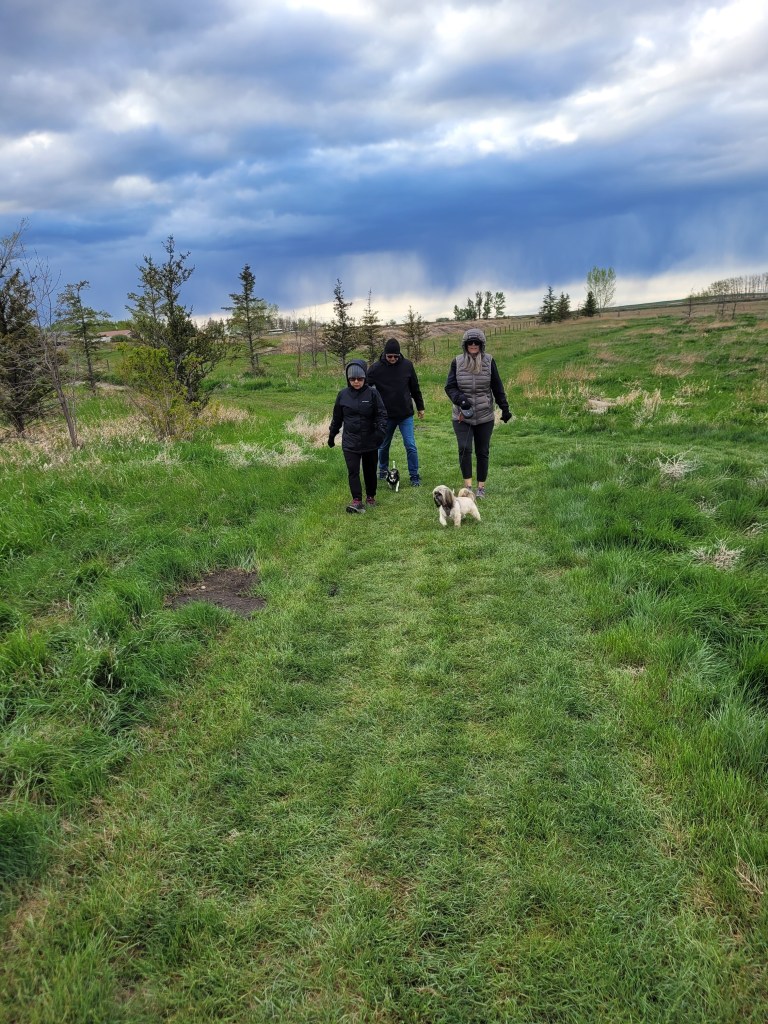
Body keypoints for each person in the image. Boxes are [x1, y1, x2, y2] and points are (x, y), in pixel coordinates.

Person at [444, 327, 512, 499]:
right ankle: (468, 487)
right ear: (465, 345)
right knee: (464, 449)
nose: (473, 345)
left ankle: (481, 488)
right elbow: (450, 387)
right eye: (470, 342)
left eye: (477, 342)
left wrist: (504, 408)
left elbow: (497, 386)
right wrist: (461, 400)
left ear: (482, 345)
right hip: (462, 415)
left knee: (482, 451)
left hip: (484, 415)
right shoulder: (457, 362)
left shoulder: (489, 361)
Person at [328, 359, 388, 513]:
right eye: (352, 379)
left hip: (370, 440)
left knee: (370, 470)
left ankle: (370, 496)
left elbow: (382, 415)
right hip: (350, 441)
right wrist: (332, 435)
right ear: (348, 379)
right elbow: (337, 418)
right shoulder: (342, 395)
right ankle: (356, 500)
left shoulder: (373, 393)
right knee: (353, 471)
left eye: (359, 379)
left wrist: (380, 433)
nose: (356, 382)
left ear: (364, 378)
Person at [366, 337, 425, 487]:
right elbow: (365, 388)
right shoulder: (375, 368)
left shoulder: (407, 366)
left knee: (410, 445)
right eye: (389, 356)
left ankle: (414, 476)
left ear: (399, 355)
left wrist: (420, 407)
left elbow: (415, 387)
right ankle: (382, 471)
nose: (392, 359)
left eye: (395, 356)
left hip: (405, 414)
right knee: (383, 445)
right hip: (385, 416)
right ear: (384, 354)